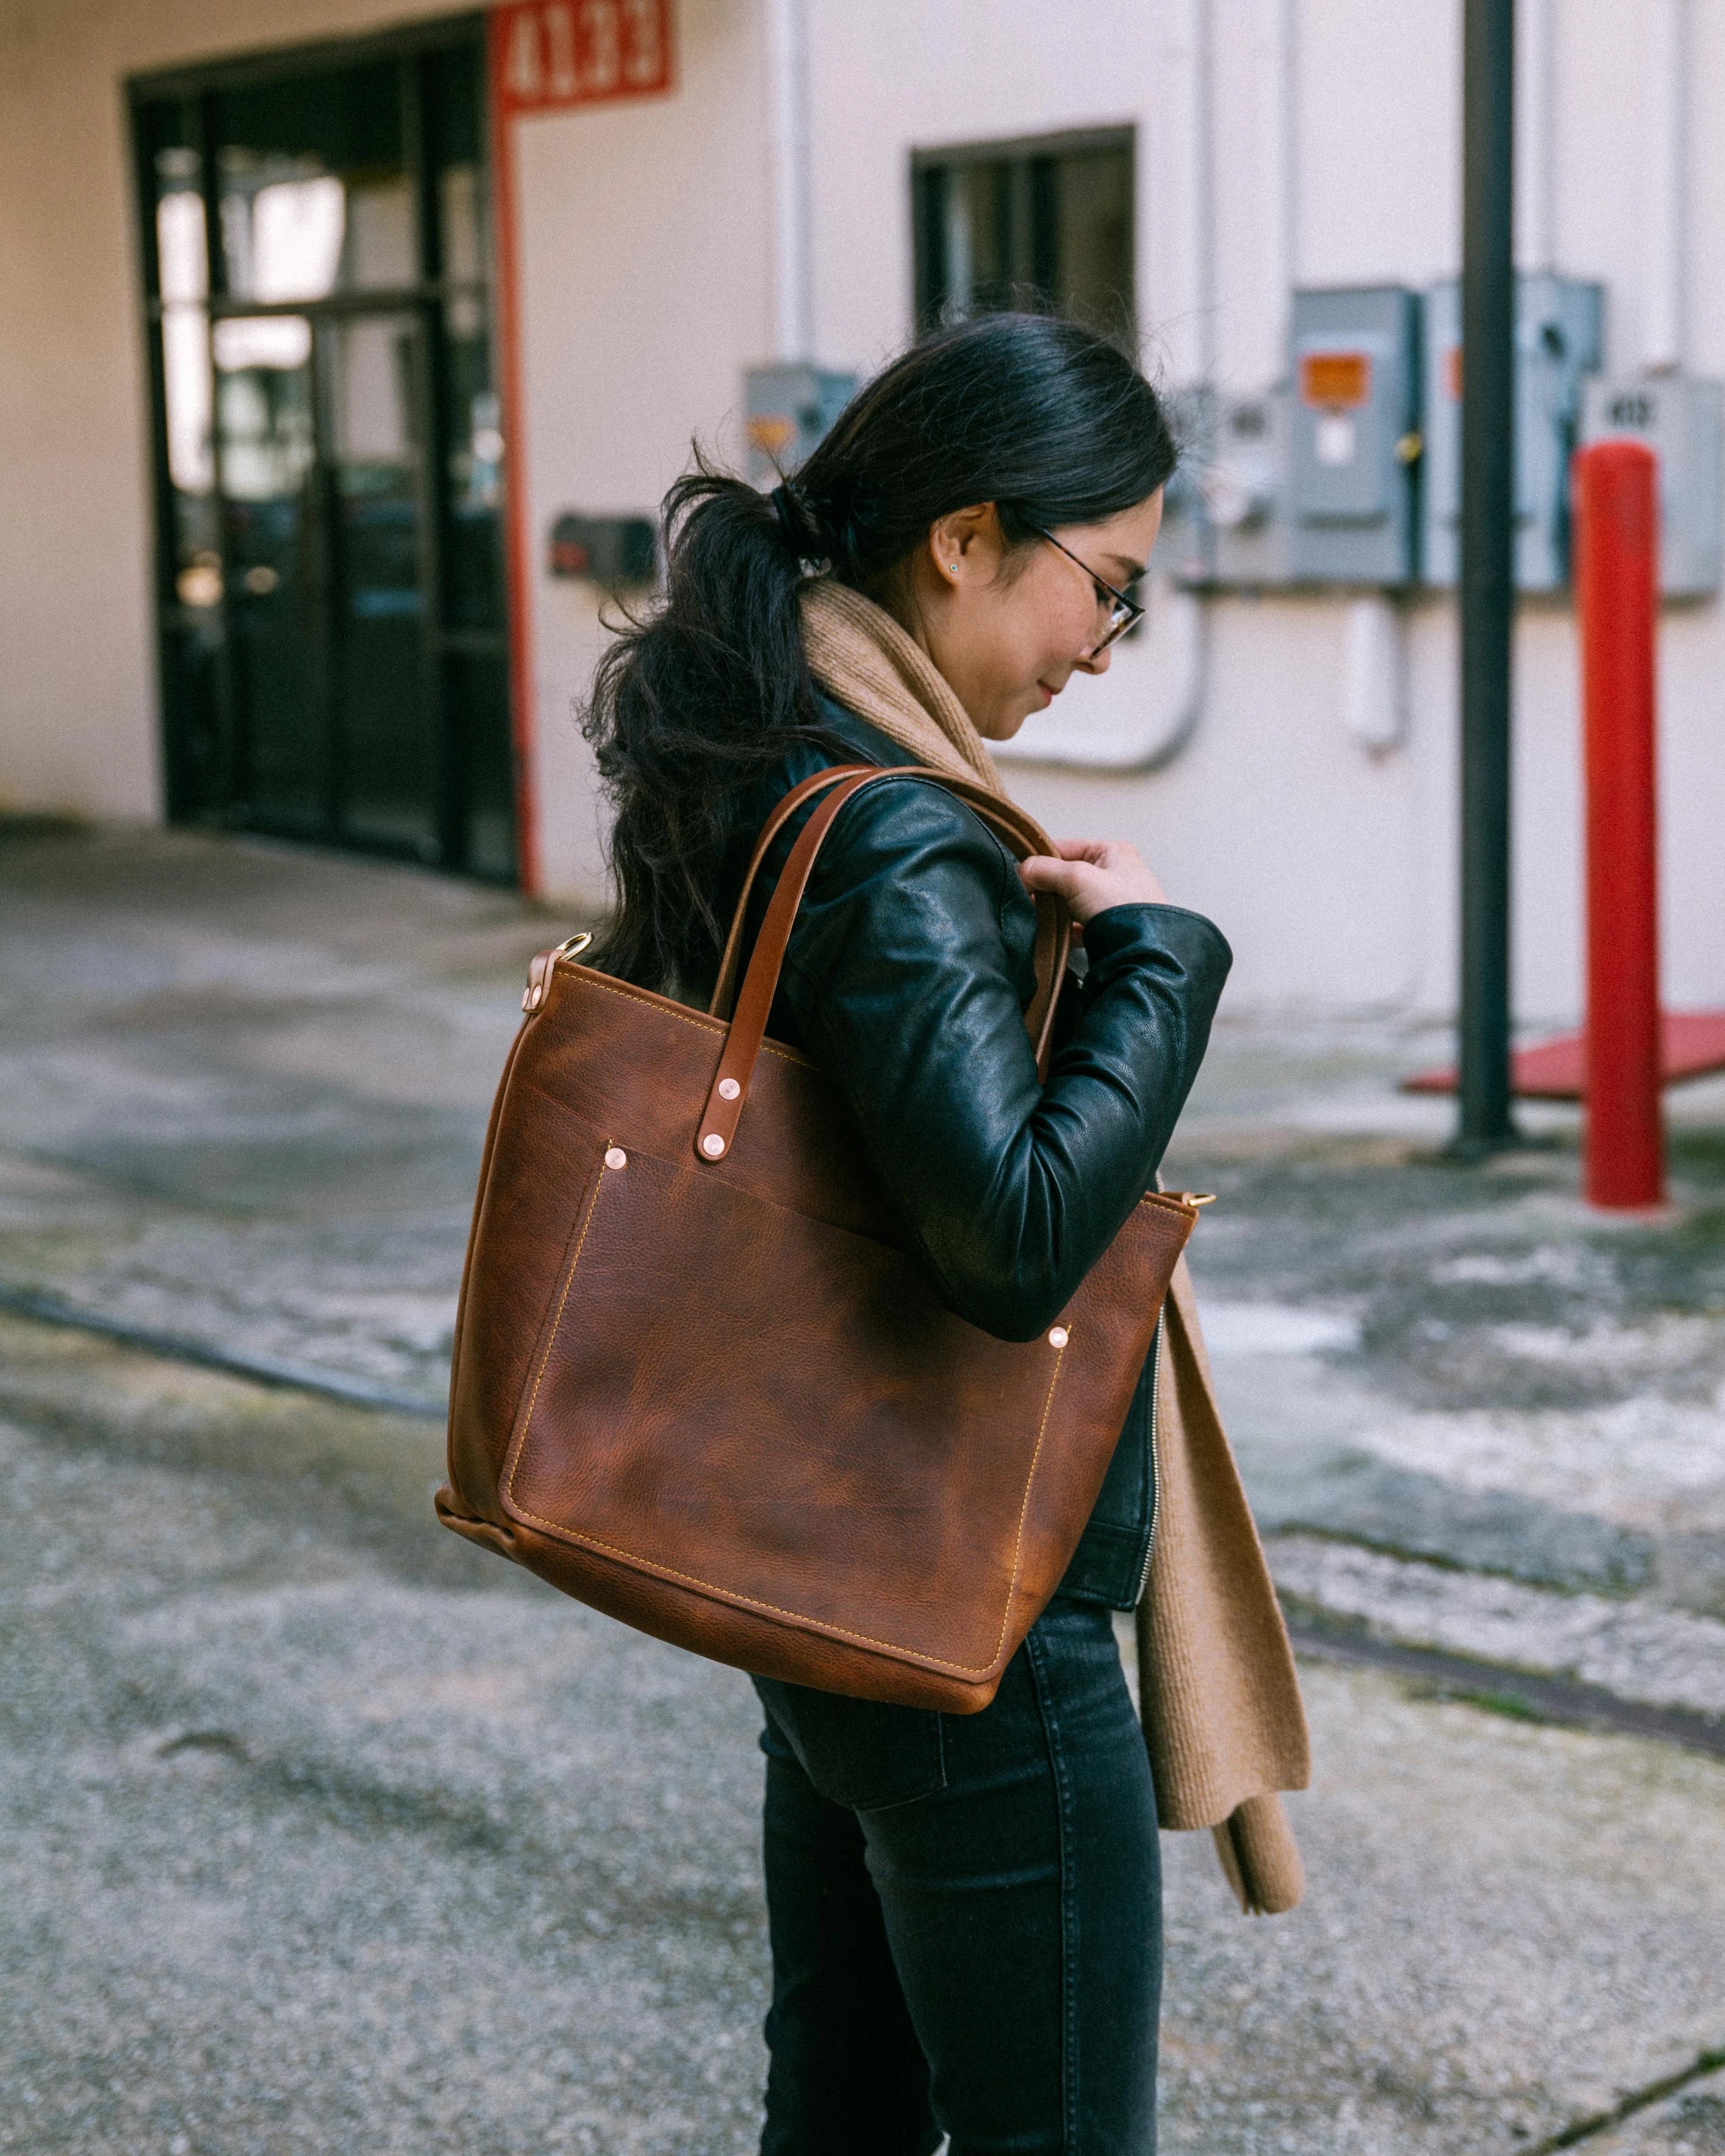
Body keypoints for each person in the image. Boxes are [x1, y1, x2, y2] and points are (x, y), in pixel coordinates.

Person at [582, 313, 1261, 2155]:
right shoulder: (887, 831)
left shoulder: (760, 738)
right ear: (964, 537)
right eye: (1100, 589)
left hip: (817, 1553)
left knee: (850, 2104)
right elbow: (1015, 1235)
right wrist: (1154, 957)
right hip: (963, 1598)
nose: (1098, 651)